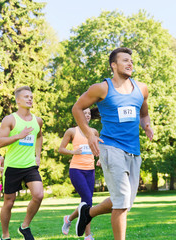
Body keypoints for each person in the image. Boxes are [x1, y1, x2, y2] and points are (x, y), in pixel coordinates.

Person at [72, 47, 154, 240]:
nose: (130, 63)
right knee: (122, 203)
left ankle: (88, 213)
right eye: (125, 60)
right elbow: (77, 108)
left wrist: (147, 125)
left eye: (131, 61)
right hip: (110, 147)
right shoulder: (102, 88)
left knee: (124, 201)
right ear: (114, 65)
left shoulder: (141, 89)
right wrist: (89, 134)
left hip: (134, 150)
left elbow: (143, 114)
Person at [0, 86, 44, 240]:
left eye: (31, 96)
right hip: (12, 166)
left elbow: (39, 137)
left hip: (30, 165)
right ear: (17, 100)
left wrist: (38, 155)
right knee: (9, 202)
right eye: (26, 96)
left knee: (38, 195)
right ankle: (5, 235)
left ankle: (24, 226)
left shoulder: (37, 121)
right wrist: (18, 135)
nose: (30, 99)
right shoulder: (10, 119)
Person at [59, 108, 99, 240]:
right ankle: (88, 235)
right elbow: (61, 149)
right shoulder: (72, 131)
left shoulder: (94, 132)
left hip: (90, 170)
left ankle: (68, 219)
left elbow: (98, 149)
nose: (87, 115)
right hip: (76, 169)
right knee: (88, 200)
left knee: (85, 203)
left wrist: (101, 160)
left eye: (88, 114)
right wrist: (73, 152)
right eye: (84, 113)